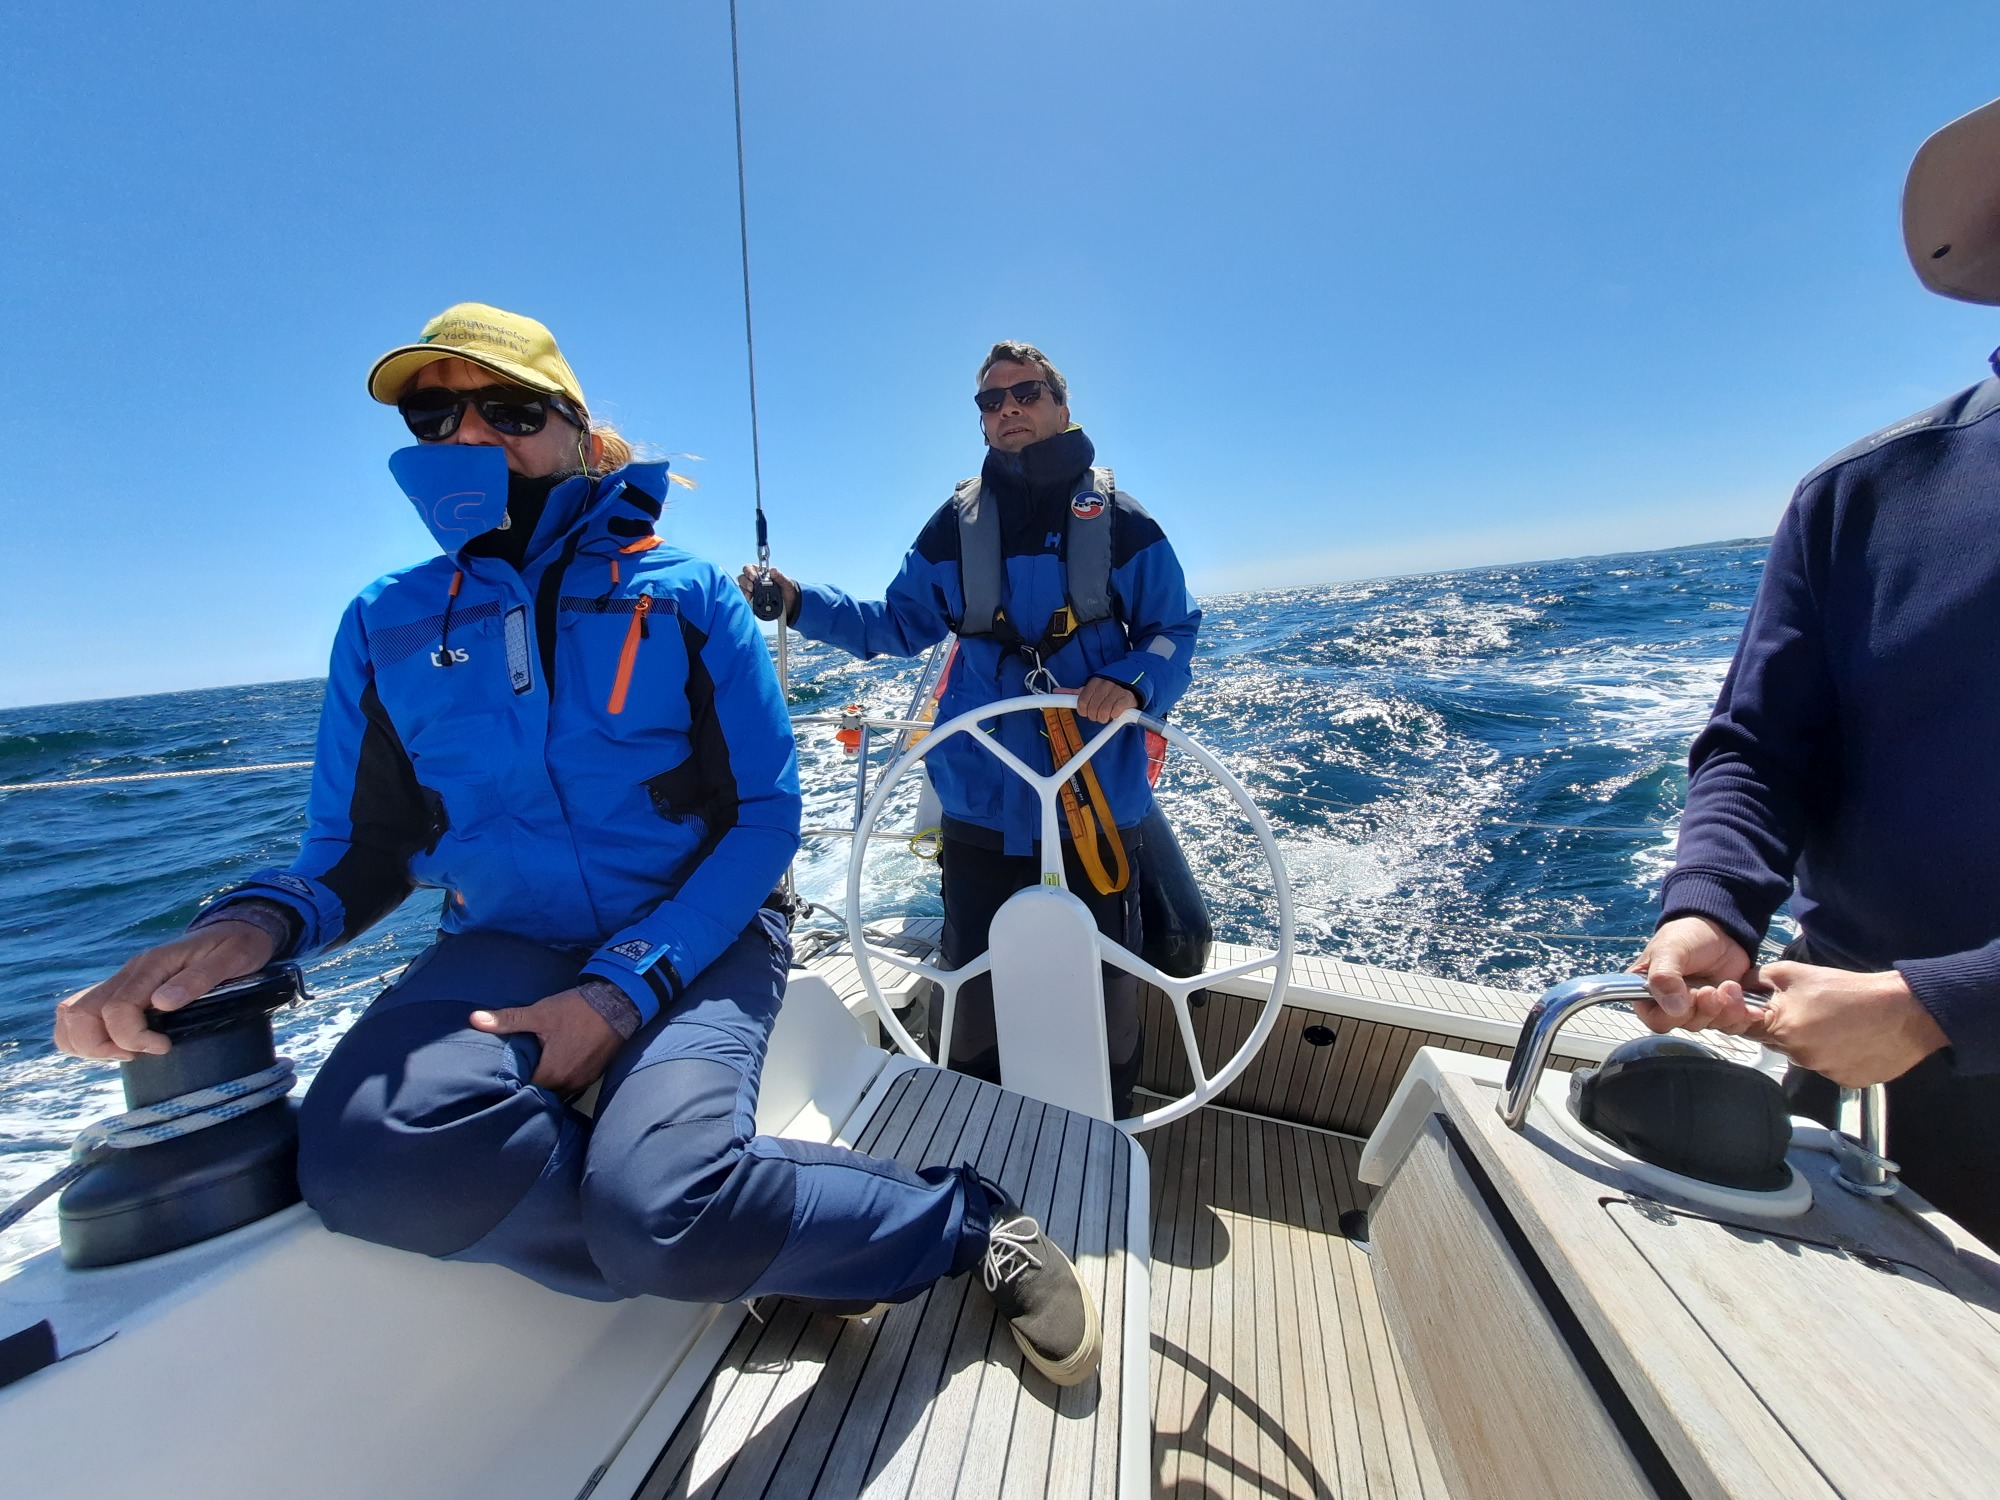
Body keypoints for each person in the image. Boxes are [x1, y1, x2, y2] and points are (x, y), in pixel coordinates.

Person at [53, 303, 1102, 1386]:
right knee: (363, 1155)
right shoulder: (383, 622)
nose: (469, 437)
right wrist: (250, 927)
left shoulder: (686, 597)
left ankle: (964, 1219)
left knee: (660, 1207)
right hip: (505, 942)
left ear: (578, 433)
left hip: (701, 935)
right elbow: (361, 847)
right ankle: (757, 1236)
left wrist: (619, 991)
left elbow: (763, 819)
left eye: (507, 410)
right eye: (435, 416)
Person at [1631, 101, 2000, 1248]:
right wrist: (1710, 903)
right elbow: (1760, 745)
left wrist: (1943, 1005)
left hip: (1897, 1024)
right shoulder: (1861, 495)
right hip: (1856, 1055)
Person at [741, 341, 1200, 1116]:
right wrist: (798, 603)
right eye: (992, 401)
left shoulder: (1121, 520)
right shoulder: (954, 526)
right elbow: (893, 624)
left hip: (1093, 801)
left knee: (1106, 979)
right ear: (982, 421)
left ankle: (1111, 1122)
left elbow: (1173, 630)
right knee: (973, 976)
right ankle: (969, 1121)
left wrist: (1132, 681)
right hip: (981, 802)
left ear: (1061, 405)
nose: (1008, 409)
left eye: (1026, 393)